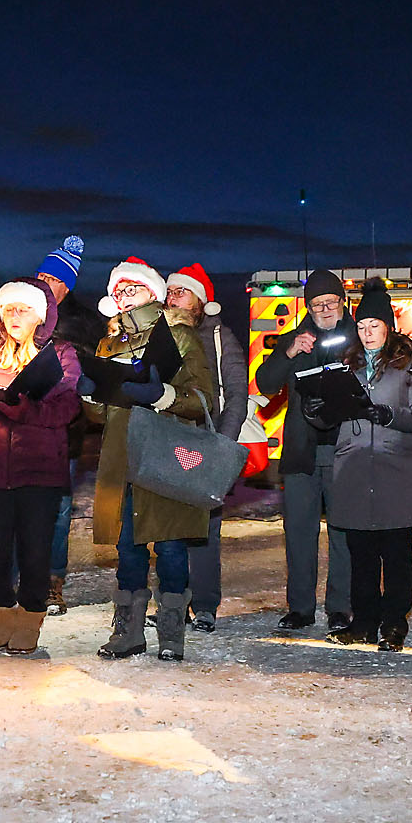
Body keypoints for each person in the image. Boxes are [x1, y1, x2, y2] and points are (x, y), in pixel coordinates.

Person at [81, 257, 215, 661]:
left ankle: (172, 634)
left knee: (171, 548)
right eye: (118, 291)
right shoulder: (108, 345)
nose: (124, 296)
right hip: (122, 458)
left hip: (167, 457)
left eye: (132, 288)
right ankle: (128, 632)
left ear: (152, 292)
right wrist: (90, 393)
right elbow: (101, 416)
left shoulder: (180, 336)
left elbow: (204, 400)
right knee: (128, 550)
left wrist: (162, 395)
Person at [0, 279, 82, 654]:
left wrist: (23, 408)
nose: (15, 315)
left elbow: (67, 408)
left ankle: (30, 619)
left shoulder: (61, 355)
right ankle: (1, 618)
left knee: (35, 551)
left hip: (40, 469)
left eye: (24, 309)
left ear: (41, 316)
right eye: (9, 309)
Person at [319, 279, 412, 651]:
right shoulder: (345, 366)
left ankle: (394, 623)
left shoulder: (410, 366)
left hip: (395, 471)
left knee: (396, 553)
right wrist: (317, 410)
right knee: (361, 554)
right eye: (362, 326)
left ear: (389, 327)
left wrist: (388, 414)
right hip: (354, 470)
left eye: (375, 325)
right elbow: (330, 418)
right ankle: (364, 622)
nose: (368, 333)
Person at [250, 268, 357, 631]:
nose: (325, 310)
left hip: (345, 451)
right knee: (298, 532)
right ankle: (300, 607)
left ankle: (340, 607)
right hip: (301, 452)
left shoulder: (359, 338)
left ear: (343, 302)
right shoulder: (295, 339)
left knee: (343, 533)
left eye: (330, 302)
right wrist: (289, 352)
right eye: (317, 304)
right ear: (307, 308)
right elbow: (265, 383)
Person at [165, 263, 248, 633]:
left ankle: (204, 605)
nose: (172, 298)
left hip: (206, 442)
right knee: (167, 528)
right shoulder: (161, 336)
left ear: (200, 301)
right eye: (170, 292)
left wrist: (223, 444)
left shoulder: (219, 337)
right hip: (168, 441)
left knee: (204, 528)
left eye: (181, 292)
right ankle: (171, 603)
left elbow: (237, 393)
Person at [36, 234, 103, 616]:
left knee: (60, 509)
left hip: (66, 429)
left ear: (66, 284)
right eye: (41, 275)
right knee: (19, 504)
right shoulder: (22, 309)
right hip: (21, 428)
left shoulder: (86, 322)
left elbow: (95, 372)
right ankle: (17, 577)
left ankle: (53, 580)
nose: (44, 282)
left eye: (52, 277)